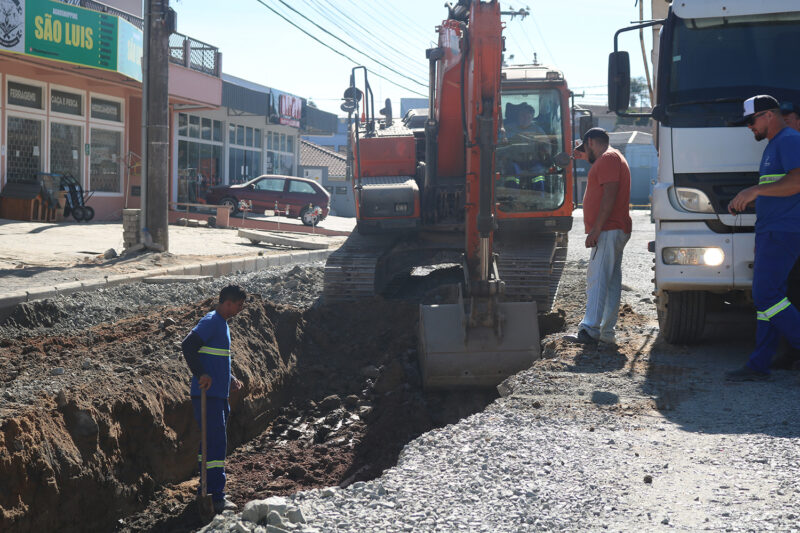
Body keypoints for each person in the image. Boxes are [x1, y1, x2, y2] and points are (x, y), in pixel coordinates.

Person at [725, 95, 800, 381]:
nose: (749, 127)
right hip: (773, 229)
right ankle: (759, 364)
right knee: (770, 299)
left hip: (783, 230)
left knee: (765, 295)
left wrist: (753, 192)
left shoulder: (789, 140)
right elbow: (779, 189)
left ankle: (762, 362)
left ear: (769, 115)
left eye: (751, 120)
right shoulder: (775, 145)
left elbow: (797, 181)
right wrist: (749, 199)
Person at [181, 284, 246, 512]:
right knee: (215, 444)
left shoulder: (222, 325)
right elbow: (188, 346)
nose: (239, 310)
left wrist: (229, 378)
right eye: (238, 305)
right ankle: (215, 496)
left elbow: (216, 359)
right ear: (228, 303)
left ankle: (206, 489)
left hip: (218, 395)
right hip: (207, 395)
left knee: (213, 443)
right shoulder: (211, 322)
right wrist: (202, 374)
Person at [567, 127, 632, 345]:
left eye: (585, 149)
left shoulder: (608, 158)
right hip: (613, 228)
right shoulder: (612, 158)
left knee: (597, 279)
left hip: (607, 229)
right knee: (611, 281)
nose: (585, 155)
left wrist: (596, 229)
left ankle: (590, 329)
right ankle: (606, 333)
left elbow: (609, 195)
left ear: (591, 142)